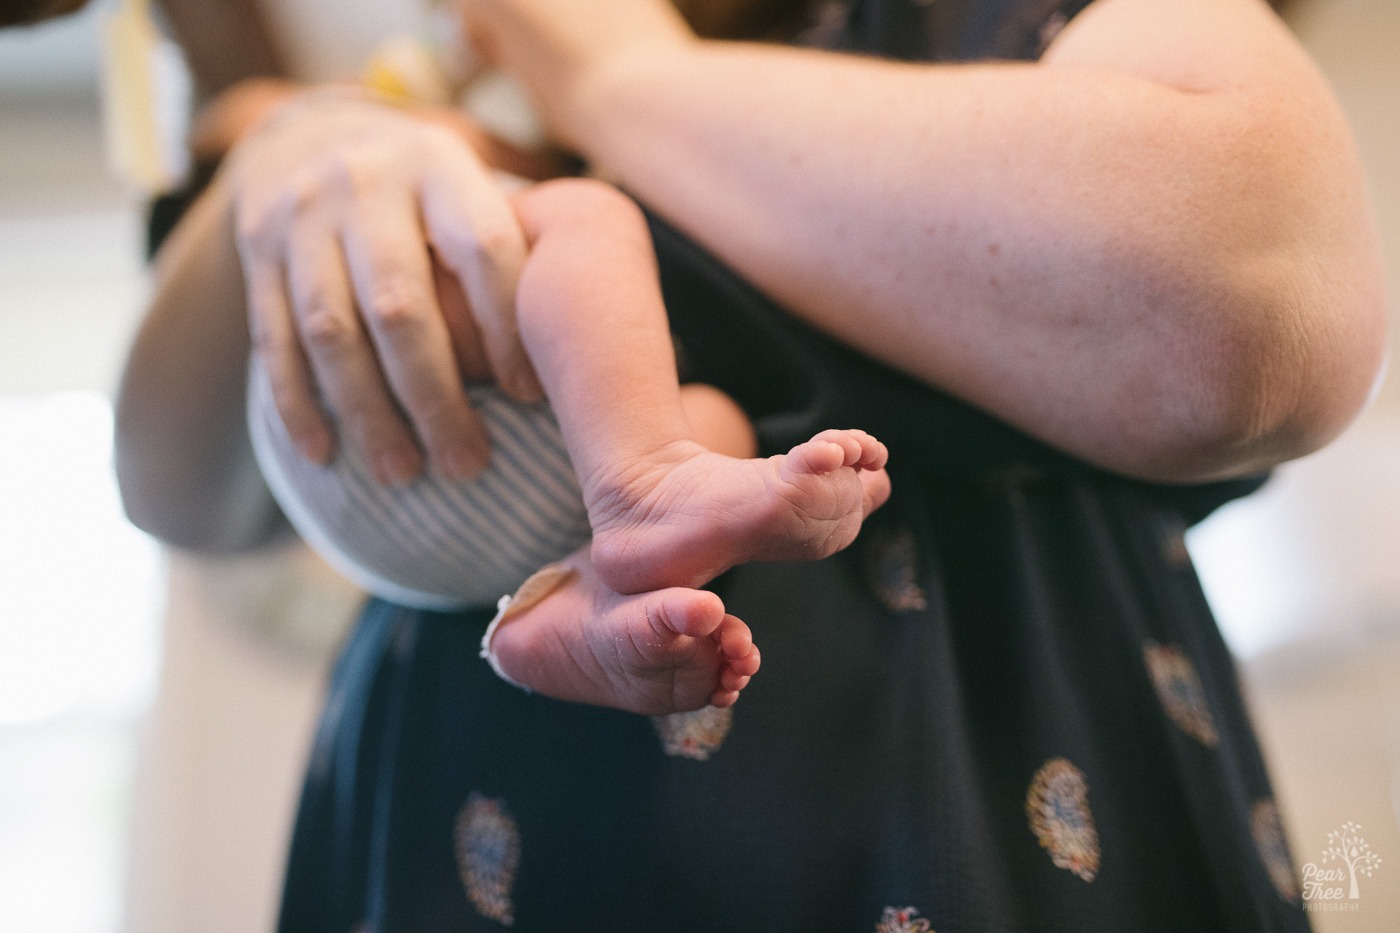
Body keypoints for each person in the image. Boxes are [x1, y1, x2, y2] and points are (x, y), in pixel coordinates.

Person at [110, 0, 1386, 930]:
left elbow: (1256, 308)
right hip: (440, 477)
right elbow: (178, 491)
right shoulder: (454, 114)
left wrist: (613, 68)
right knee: (598, 260)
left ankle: (561, 590)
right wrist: (294, 154)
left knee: (692, 392)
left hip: (529, 631)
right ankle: (627, 500)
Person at [250, 168, 891, 714]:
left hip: (398, 550)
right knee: (583, 212)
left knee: (718, 420)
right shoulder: (348, 180)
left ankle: (568, 602)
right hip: (340, 384)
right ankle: (642, 481)